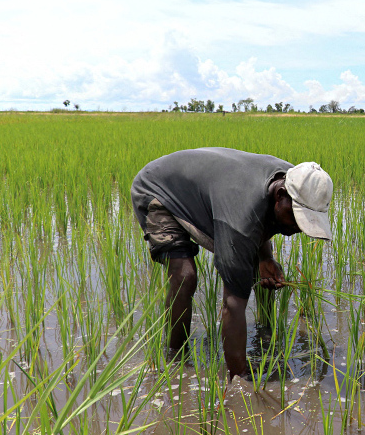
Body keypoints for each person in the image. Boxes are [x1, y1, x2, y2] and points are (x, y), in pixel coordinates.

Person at [130, 148, 333, 378]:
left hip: (214, 187)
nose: (299, 227)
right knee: (184, 276)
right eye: (296, 216)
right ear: (280, 195)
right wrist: (241, 378)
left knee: (254, 262)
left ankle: (264, 331)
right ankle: (176, 359)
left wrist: (265, 258)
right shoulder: (241, 218)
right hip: (157, 189)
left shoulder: (299, 181)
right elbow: (232, 305)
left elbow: (261, 216)